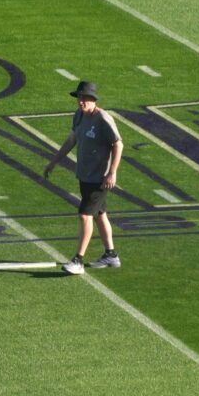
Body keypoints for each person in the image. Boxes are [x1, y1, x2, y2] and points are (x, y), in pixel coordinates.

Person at [42, 80, 124, 272]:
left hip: (99, 179)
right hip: (85, 175)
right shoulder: (79, 115)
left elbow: (118, 144)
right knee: (100, 215)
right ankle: (111, 255)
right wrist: (54, 161)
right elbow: (72, 139)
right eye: (79, 97)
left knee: (85, 215)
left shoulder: (103, 119)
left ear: (93, 99)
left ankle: (78, 260)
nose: (81, 101)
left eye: (85, 98)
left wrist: (112, 172)